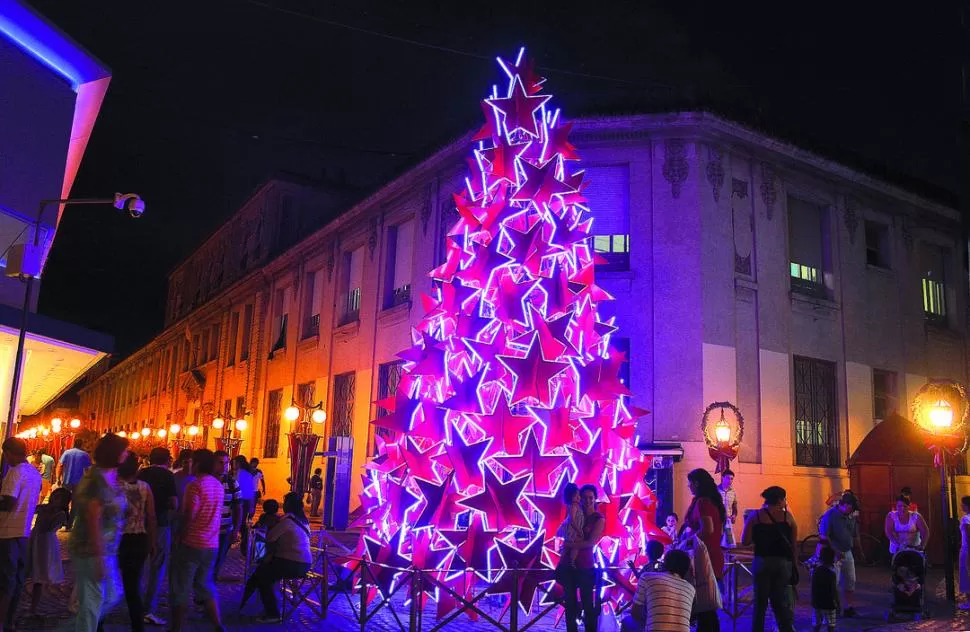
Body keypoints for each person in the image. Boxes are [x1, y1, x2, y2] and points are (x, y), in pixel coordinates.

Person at [67, 433, 129, 632]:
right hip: (91, 548)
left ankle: (74, 628)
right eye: (124, 450)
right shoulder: (95, 480)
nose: (127, 454)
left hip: (108, 547)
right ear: (115, 453)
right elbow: (93, 519)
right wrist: (99, 557)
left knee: (111, 594)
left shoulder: (110, 476)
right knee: (93, 601)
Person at [169, 448, 225, 632]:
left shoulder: (195, 485)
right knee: (205, 584)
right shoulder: (217, 485)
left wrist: (180, 535)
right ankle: (217, 624)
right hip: (211, 543)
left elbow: (189, 514)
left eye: (193, 461)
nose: (190, 464)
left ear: (198, 464)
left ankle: (176, 627)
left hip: (192, 542)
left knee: (181, 586)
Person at [241, 492, 313, 622]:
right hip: (305, 563)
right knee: (266, 574)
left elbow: (270, 537)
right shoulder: (303, 520)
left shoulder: (287, 521)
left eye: (284, 503)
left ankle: (272, 613)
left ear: (289, 505)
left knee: (262, 577)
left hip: (291, 563)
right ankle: (270, 607)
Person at [0, 437, 42, 631]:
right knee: (17, 580)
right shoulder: (35, 473)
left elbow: (8, 503)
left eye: (5, 454)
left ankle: (1, 621)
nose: (5, 458)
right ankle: (10, 620)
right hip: (24, 531)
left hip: (7, 531)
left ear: (9, 453)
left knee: (5, 580)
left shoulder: (14, 473)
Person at [741, 485, 797, 632]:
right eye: (785, 499)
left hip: (762, 561)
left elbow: (745, 541)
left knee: (760, 605)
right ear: (780, 500)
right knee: (779, 603)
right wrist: (794, 566)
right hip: (782, 564)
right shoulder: (788, 518)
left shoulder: (755, 516)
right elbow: (794, 545)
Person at [137, 446, 177, 626]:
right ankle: (149, 608)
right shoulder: (168, 476)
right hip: (160, 524)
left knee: (137, 565)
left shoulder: (141, 473)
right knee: (157, 566)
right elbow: (173, 501)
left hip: (138, 524)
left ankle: (135, 604)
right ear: (167, 459)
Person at [119, 452, 156, 632]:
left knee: (108, 582)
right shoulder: (145, 487)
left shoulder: (115, 487)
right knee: (133, 585)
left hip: (118, 539)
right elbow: (151, 516)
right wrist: (152, 542)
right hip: (139, 537)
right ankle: (137, 625)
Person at [562, 484, 604, 632]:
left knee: (587, 605)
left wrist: (570, 544)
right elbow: (566, 531)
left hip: (586, 566)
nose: (587, 500)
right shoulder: (576, 512)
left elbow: (590, 542)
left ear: (595, 499)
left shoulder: (598, 518)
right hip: (569, 565)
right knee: (570, 604)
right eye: (584, 497)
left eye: (590, 498)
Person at [622, 549, 695, 632]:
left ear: (665, 562)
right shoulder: (691, 589)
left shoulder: (647, 577)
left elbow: (635, 613)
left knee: (626, 621)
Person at [27, 487, 70, 617]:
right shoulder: (44, 508)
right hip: (35, 539)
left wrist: (49, 512)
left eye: (59, 498)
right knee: (31, 570)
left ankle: (33, 608)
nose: (55, 500)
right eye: (55, 496)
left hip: (46, 543)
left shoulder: (61, 515)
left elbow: (48, 527)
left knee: (39, 574)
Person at [819, 491, 861, 617]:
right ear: (845, 505)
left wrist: (859, 550)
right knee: (834, 581)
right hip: (833, 553)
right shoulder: (830, 515)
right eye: (851, 508)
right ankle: (833, 606)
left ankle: (849, 607)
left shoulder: (850, 516)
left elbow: (854, 533)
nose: (852, 511)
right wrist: (835, 551)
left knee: (850, 580)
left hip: (847, 552)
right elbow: (824, 535)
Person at [683, 469, 726, 582]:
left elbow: (707, 529)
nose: (688, 486)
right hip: (712, 554)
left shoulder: (703, 502)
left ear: (696, 483)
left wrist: (686, 542)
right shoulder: (713, 501)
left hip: (704, 557)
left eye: (690, 483)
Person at [677, 533, 720, 632]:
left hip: (701, 591)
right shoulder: (700, 546)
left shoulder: (697, 546)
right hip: (706, 591)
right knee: (709, 617)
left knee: (707, 618)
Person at [212, 450, 241, 582]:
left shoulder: (232, 483)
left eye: (226, 463)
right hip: (208, 529)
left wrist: (236, 529)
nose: (224, 466)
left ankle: (209, 585)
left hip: (224, 530)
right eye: (220, 463)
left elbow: (238, 507)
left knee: (219, 558)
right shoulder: (207, 480)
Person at [58, 438, 91, 530]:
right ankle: (69, 525)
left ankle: (61, 522)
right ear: (82, 444)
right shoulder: (85, 455)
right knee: (75, 504)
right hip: (79, 483)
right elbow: (88, 470)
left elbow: (60, 465)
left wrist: (58, 478)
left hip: (66, 481)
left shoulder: (67, 453)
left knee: (63, 502)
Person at [232, 455, 256, 560]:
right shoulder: (248, 474)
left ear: (238, 463)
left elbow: (235, 488)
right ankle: (245, 543)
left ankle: (245, 543)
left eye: (234, 462)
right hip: (246, 501)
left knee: (238, 522)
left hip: (239, 501)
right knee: (241, 523)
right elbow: (251, 490)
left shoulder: (238, 474)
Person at [811, 546, 839, 632]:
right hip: (829, 603)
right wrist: (837, 602)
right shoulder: (832, 574)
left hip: (817, 602)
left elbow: (813, 587)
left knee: (817, 624)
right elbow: (833, 589)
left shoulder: (815, 571)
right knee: (831, 624)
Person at [556, 482, 583, 568]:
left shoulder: (577, 505)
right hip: (572, 528)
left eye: (578, 495)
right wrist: (579, 530)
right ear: (570, 497)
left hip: (574, 527)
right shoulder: (573, 506)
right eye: (575, 496)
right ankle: (571, 561)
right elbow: (572, 520)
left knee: (572, 545)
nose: (578, 497)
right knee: (574, 544)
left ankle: (569, 560)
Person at [172, 449, 195, 545]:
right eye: (186, 462)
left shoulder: (197, 478)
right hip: (176, 516)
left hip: (192, 517)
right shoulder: (175, 476)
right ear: (181, 463)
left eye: (191, 462)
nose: (189, 465)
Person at [718, 469, 738, 549]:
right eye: (728, 478)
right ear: (722, 478)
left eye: (731, 478)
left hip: (728, 521)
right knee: (719, 541)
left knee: (729, 542)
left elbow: (735, 505)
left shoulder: (733, 492)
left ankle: (727, 559)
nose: (730, 480)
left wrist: (734, 515)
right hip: (718, 520)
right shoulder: (716, 490)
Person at [959, 496, 970, 609]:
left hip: (967, 549)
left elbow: (968, 536)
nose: (961, 506)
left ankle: (969, 601)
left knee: (966, 574)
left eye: (962, 504)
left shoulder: (966, 519)